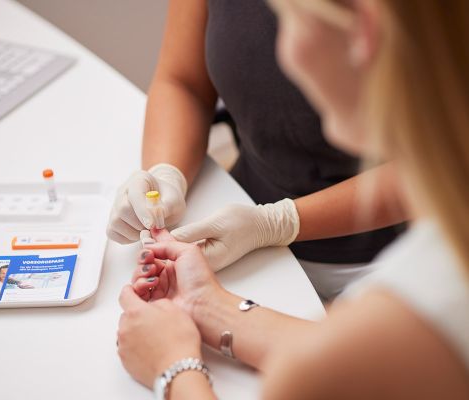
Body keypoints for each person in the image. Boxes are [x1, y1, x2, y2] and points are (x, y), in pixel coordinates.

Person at [117, 0, 469, 398]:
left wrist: (174, 369)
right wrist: (210, 307)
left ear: (365, 34)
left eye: (288, 21)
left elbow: (343, 364)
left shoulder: (391, 328)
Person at [106, 0, 409, 300]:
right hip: (241, 220)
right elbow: (183, 81)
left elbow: (446, 165)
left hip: (398, 250)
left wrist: (276, 222)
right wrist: (166, 172)